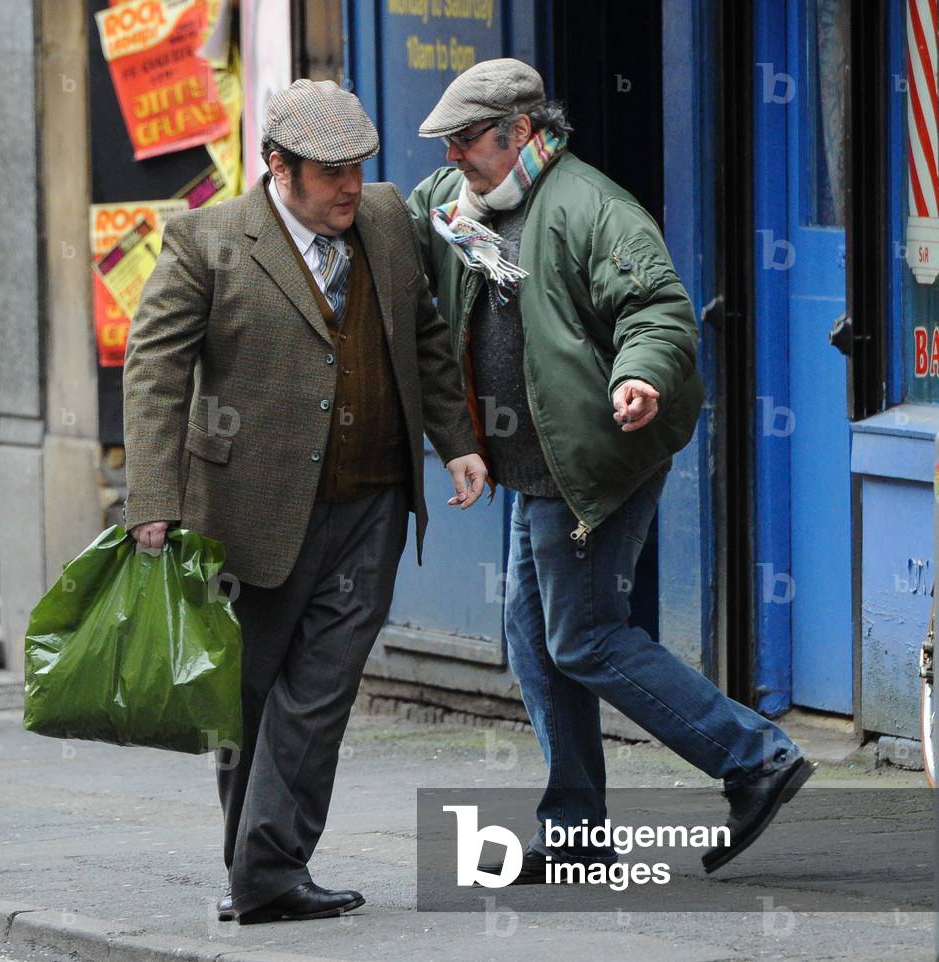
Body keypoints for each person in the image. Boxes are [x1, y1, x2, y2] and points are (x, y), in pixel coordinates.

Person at [408, 58, 812, 883]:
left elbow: (656, 310)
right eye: (445, 142)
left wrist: (640, 375)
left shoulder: (593, 208)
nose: (452, 156)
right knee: (534, 640)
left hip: (592, 456)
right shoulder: (457, 205)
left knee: (584, 636)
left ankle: (754, 757)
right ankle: (574, 831)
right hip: (531, 463)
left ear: (520, 130)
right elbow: (393, 221)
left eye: (465, 140)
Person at [122, 79, 487, 922]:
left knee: (319, 692)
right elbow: (156, 375)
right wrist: (153, 497)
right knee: (246, 698)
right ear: (278, 168)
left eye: (358, 169)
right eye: (330, 175)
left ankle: (270, 871)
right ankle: (257, 871)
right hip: (247, 511)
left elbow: (425, 335)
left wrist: (456, 441)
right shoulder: (204, 240)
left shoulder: (389, 219)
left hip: (370, 505)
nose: (350, 190)